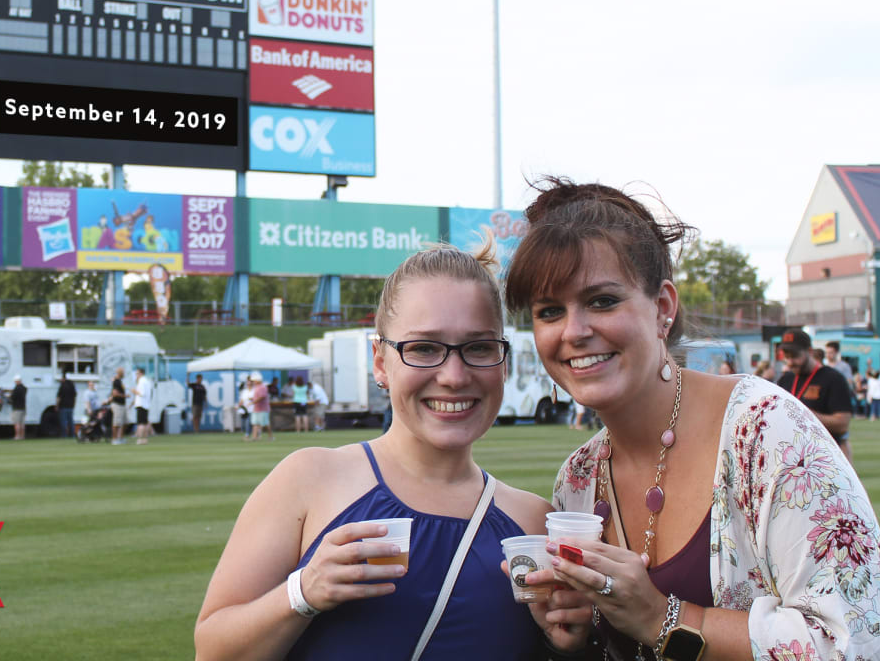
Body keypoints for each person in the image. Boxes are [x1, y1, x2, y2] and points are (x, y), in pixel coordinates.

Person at [505, 178, 880, 660]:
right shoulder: (577, 479)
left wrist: (664, 618)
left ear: (662, 308)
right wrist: (575, 639)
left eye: (602, 301)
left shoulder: (767, 433)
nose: (574, 331)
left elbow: (869, 646)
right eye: (550, 311)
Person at [196, 243, 588, 660]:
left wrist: (566, 642)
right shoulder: (309, 481)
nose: (454, 376)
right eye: (423, 348)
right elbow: (213, 651)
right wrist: (302, 592)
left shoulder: (532, 522)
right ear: (380, 362)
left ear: (502, 362)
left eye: (478, 348)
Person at [775, 329, 855, 463]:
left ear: (809, 351)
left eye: (795, 356)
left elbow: (842, 423)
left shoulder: (833, 379)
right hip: (793, 459)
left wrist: (804, 415)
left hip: (825, 460)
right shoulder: (785, 379)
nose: (790, 362)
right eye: (786, 357)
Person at [246, 372, 272, 442]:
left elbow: (262, 397)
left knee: (266, 423)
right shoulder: (256, 387)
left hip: (263, 409)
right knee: (255, 423)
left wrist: (253, 402)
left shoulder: (262, 387)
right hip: (257, 409)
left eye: (254, 380)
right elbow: (258, 397)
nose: (253, 382)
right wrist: (252, 399)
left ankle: (270, 436)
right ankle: (254, 437)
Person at [132, 367, 153, 445]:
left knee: (141, 423)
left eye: (137, 373)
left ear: (141, 373)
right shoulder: (147, 381)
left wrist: (134, 391)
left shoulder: (141, 381)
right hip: (146, 404)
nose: (136, 375)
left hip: (141, 404)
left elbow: (142, 393)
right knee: (144, 422)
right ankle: (144, 439)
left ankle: (140, 438)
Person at [55, 372, 77, 439]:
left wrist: (57, 405)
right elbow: (75, 396)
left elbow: (59, 397)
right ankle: (72, 435)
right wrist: (74, 405)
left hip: (63, 406)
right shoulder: (72, 386)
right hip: (71, 406)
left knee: (63, 422)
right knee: (71, 422)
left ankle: (64, 435)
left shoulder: (62, 386)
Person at [109, 368, 128, 445]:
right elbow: (115, 394)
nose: (124, 374)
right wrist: (125, 396)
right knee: (116, 423)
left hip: (122, 405)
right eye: (123, 372)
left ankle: (121, 438)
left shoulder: (120, 381)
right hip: (117, 404)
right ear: (120, 373)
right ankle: (114, 439)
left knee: (125, 422)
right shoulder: (116, 382)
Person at [8, 375, 28, 440]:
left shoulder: (16, 389)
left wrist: (9, 396)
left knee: (17, 423)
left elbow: (12, 397)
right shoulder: (24, 388)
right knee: (22, 423)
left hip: (16, 408)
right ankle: (22, 436)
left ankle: (17, 436)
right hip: (23, 408)